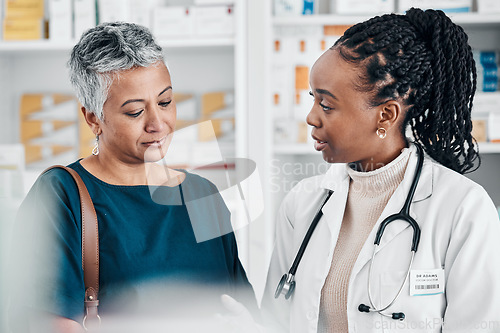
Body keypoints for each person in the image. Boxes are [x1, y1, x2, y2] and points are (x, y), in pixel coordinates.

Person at [263, 8, 500, 333]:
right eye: (312, 99)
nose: (311, 117)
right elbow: (274, 322)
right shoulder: (301, 205)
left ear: (386, 115)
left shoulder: (463, 210)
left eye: (327, 105)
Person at [8, 22, 254, 333]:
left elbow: (241, 311)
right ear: (93, 118)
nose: (157, 123)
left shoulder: (201, 194)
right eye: (136, 112)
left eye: (165, 102)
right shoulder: (61, 196)